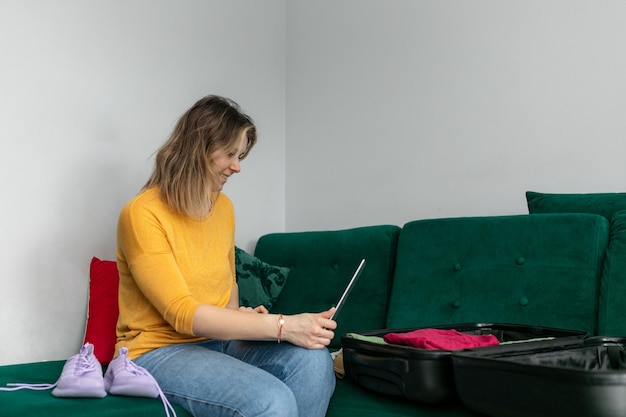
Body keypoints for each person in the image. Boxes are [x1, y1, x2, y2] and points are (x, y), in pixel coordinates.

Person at [115, 95, 337, 417]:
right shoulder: (142, 213)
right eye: (230, 154)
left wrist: (243, 317)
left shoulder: (224, 208)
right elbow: (182, 313)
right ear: (198, 148)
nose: (237, 166)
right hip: (157, 351)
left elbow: (226, 286)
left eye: (240, 155)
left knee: (314, 361)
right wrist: (282, 326)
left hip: (218, 341)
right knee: (270, 400)